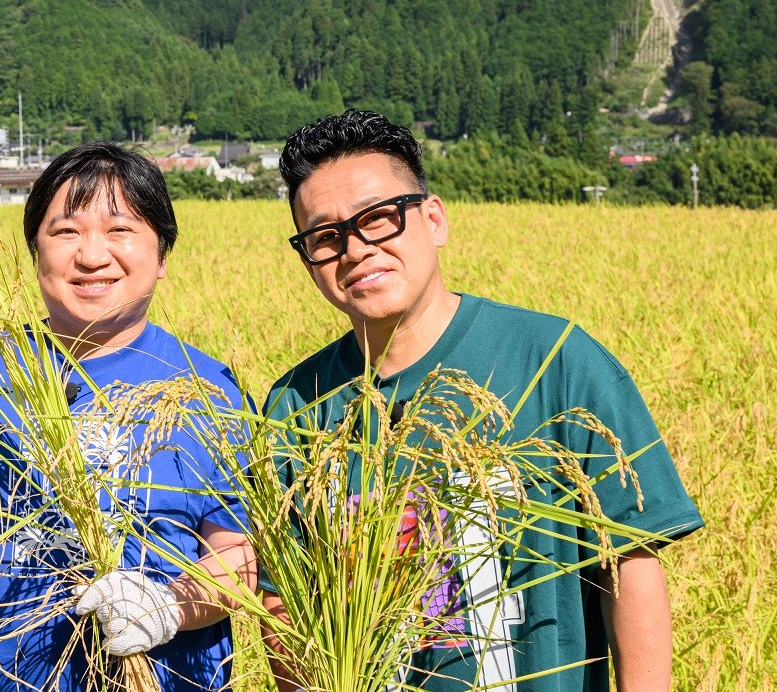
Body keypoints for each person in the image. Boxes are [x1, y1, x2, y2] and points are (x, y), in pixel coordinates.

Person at [260, 110, 703, 692]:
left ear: (434, 218)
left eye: (379, 219)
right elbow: (285, 606)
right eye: (326, 236)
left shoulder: (556, 361)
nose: (356, 249)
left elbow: (630, 561)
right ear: (307, 259)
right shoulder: (298, 402)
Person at [0, 143, 256, 692]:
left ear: (162, 257)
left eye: (120, 230)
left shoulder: (207, 392)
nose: (91, 255)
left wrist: (169, 606)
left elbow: (239, 558)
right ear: (34, 250)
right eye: (65, 232)